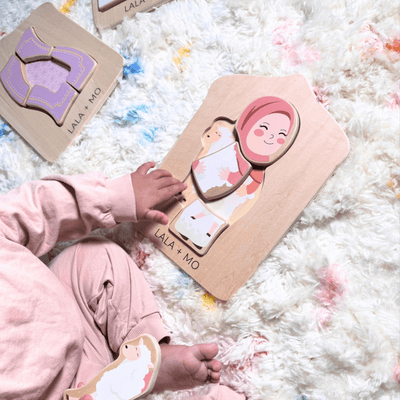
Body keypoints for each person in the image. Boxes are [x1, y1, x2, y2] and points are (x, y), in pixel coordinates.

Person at [0, 161, 245, 399]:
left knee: (94, 256)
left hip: (65, 317)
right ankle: (122, 382)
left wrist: (116, 198)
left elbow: (32, 210)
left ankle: (145, 356)